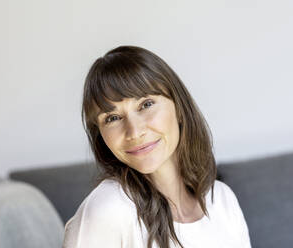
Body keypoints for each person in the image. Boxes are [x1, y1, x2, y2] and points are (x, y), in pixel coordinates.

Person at [63, 46, 251, 248]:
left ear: (179, 107)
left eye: (146, 105)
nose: (134, 132)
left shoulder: (222, 200)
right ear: (100, 135)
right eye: (113, 118)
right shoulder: (109, 209)